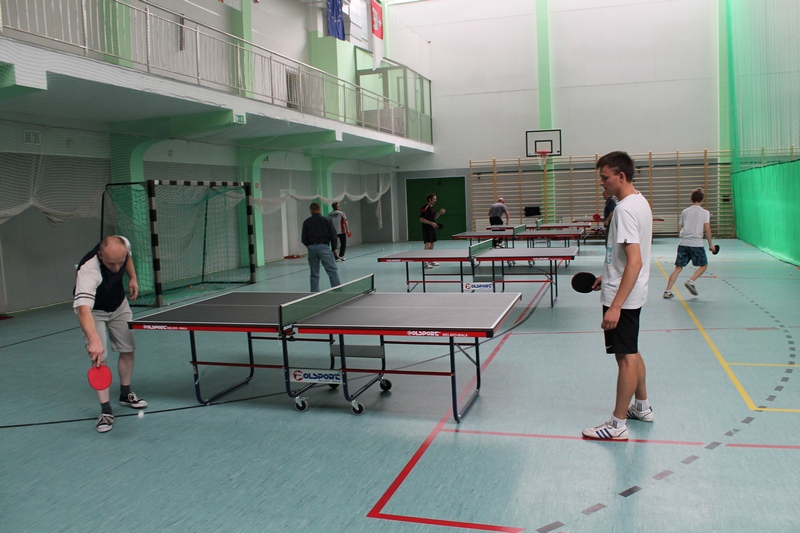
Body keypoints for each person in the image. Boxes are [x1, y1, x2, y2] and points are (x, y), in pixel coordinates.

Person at [582, 151, 653, 441]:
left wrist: (615, 306)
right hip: (630, 291)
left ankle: (617, 424)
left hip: (622, 298)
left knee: (625, 359)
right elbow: (626, 259)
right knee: (631, 351)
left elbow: (634, 261)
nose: (601, 183)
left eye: (605, 177)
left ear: (620, 176)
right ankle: (642, 407)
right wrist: (608, 274)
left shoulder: (623, 211)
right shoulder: (640, 201)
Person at [74, 235, 147, 433]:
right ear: (100, 255)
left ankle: (125, 394)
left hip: (118, 304)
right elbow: (83, 310)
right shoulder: (88, 271)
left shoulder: (124, 245)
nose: (116, 268)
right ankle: (106, 411)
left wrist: (133, 277)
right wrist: (94, 340)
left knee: (128, 349)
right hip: (94, 311)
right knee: (99, 359)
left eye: (119, 262)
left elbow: (128, 256)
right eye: (111, 263)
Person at [663, 188, 715, 298]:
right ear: (703, 199)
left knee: (678, 268)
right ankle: (691, 281)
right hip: (696, 244)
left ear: (691, 198)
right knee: (704, 265)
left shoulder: (685, 212)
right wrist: (711, 245)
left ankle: (667, 291)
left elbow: (683, 226)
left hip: (683, 243)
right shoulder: (705, 213)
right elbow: (707, 229)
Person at [301, 202, 341, 292]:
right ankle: (338, 292)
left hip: (311, 248)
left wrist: (310, 246)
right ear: (320, 209)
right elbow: (333, 236)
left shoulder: (307, 222)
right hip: (324, 247)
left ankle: (314, 293)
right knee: (332, 271)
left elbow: (303, 238)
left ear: (311, 210)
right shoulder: (326, 220)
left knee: (314, 273)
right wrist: (334, 249)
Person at [420, 193, 446, 269]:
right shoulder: (425, 207)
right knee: (428, 244)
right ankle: (425, 262)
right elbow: (421, 219)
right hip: (426, 228)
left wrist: (439, 213)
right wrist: (431, 223)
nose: (435, 200)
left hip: (432, 229)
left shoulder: (432, 208)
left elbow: (434, 217)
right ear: (430, 199)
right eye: (434, 199)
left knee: (432, 244)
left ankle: (430, 260)